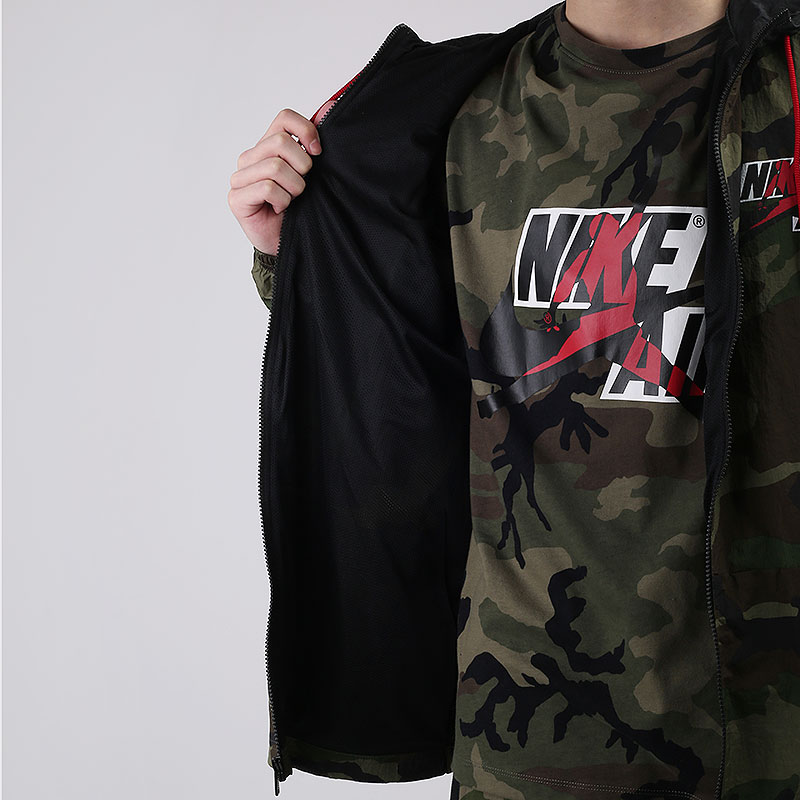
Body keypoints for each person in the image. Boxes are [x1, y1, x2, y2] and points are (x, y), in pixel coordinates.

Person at [228, 1, 800, 798]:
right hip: (539, 743)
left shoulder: (789, 85)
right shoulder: (438, 118)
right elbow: (387, 371)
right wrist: (301, 255)